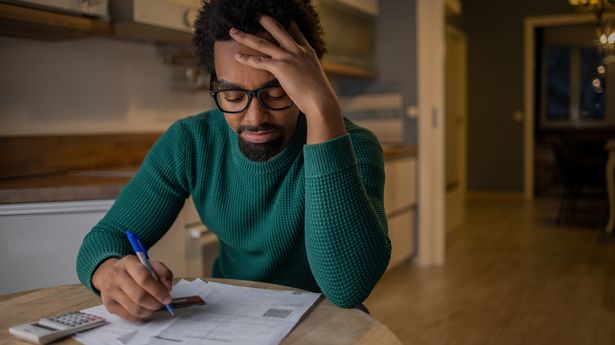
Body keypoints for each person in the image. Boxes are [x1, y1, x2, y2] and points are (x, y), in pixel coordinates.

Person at [76, 0, 391, 322]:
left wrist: (323, 109)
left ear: (305, 80)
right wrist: (110, 273)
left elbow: (347, 288)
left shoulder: (353, 146)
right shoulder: (191, 142)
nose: (254, 117)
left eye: (277, 92)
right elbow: (107, 237)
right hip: (233, 317)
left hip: (323, 320)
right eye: (233, 96)